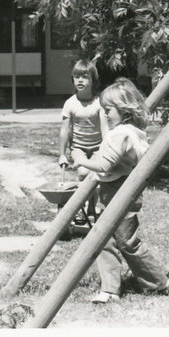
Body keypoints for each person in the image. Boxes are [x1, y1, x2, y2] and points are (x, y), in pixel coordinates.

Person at [72, 78, 169, 304]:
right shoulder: (131, 131)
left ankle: (158, 281)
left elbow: (104, 165)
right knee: (105, 240)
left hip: (118, 192)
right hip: (121, 190)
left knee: (126, 242)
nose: (105, 114)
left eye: (109, 110)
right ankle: (110, 289)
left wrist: (82, 160)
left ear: (124, 110)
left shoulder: (120, 135)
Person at [58, 60, 106, 224]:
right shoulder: (70, 103)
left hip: (97, 147)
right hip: (78, 147)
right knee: (84, 174)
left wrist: (106, 149)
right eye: (77, 77)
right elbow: (64, 130)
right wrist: (62, 154)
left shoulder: (99, 103)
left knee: (94, 176)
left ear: (93, 80)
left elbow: (105, 129)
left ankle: (91, 209)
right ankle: (80, 208)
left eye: (85, 77)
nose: (80, 80)